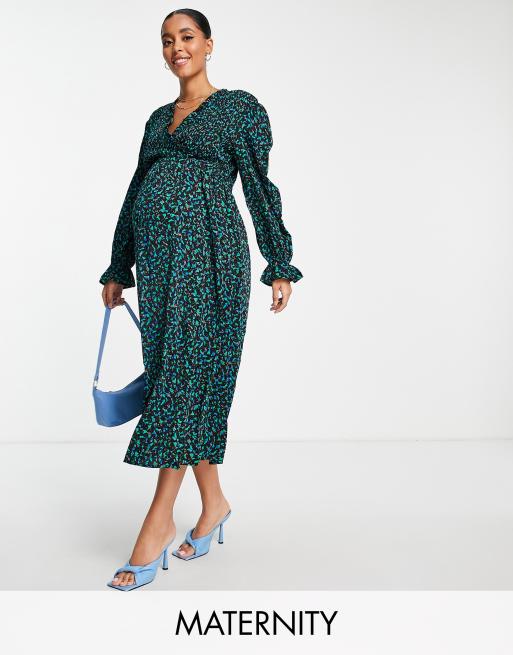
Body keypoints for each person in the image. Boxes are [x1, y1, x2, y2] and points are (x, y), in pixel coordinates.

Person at [101, 9, 303, 590]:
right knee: (179, 379)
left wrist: (278, 260)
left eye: (186, 37)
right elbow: (135, 191)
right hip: (159, 266)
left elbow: (260, 186)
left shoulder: (238, 108)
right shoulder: (157, 119)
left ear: (209, 44)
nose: (176, 48)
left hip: (210, 259)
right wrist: (118, 265)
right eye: (167, 40)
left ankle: (158, 522)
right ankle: (214, 505)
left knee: (184, 381)